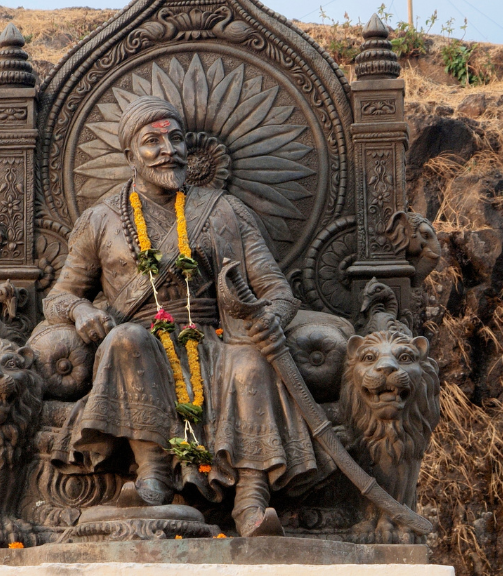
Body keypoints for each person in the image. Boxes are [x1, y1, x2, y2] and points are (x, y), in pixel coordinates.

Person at [40, 95, 331, 537]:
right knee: (125, 341)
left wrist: (270, 317)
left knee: (250, 360)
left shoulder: (224, 210)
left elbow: (276, 289)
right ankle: (152, 473)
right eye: (152, 142)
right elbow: (58, 297)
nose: (168, 150)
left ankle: (252, 498)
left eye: (175, 139)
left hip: (217, 339)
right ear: (129, 156)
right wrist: (80, 309)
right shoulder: (100, 220)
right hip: (143, 341)